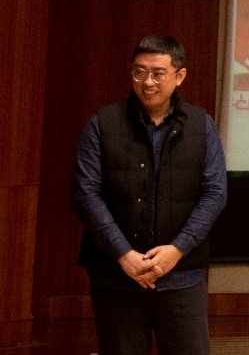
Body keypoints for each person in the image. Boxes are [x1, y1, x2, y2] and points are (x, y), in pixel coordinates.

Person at [71, 35, 228, 355]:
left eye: (158, 73)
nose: (147, 82)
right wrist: (123, 254)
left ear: (179, 76)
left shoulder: (202, 125)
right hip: (116, 277)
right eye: (139, 72)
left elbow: (215, 194)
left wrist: (177, 249)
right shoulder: (102, 124)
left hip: (182, 276)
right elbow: (85, 194)